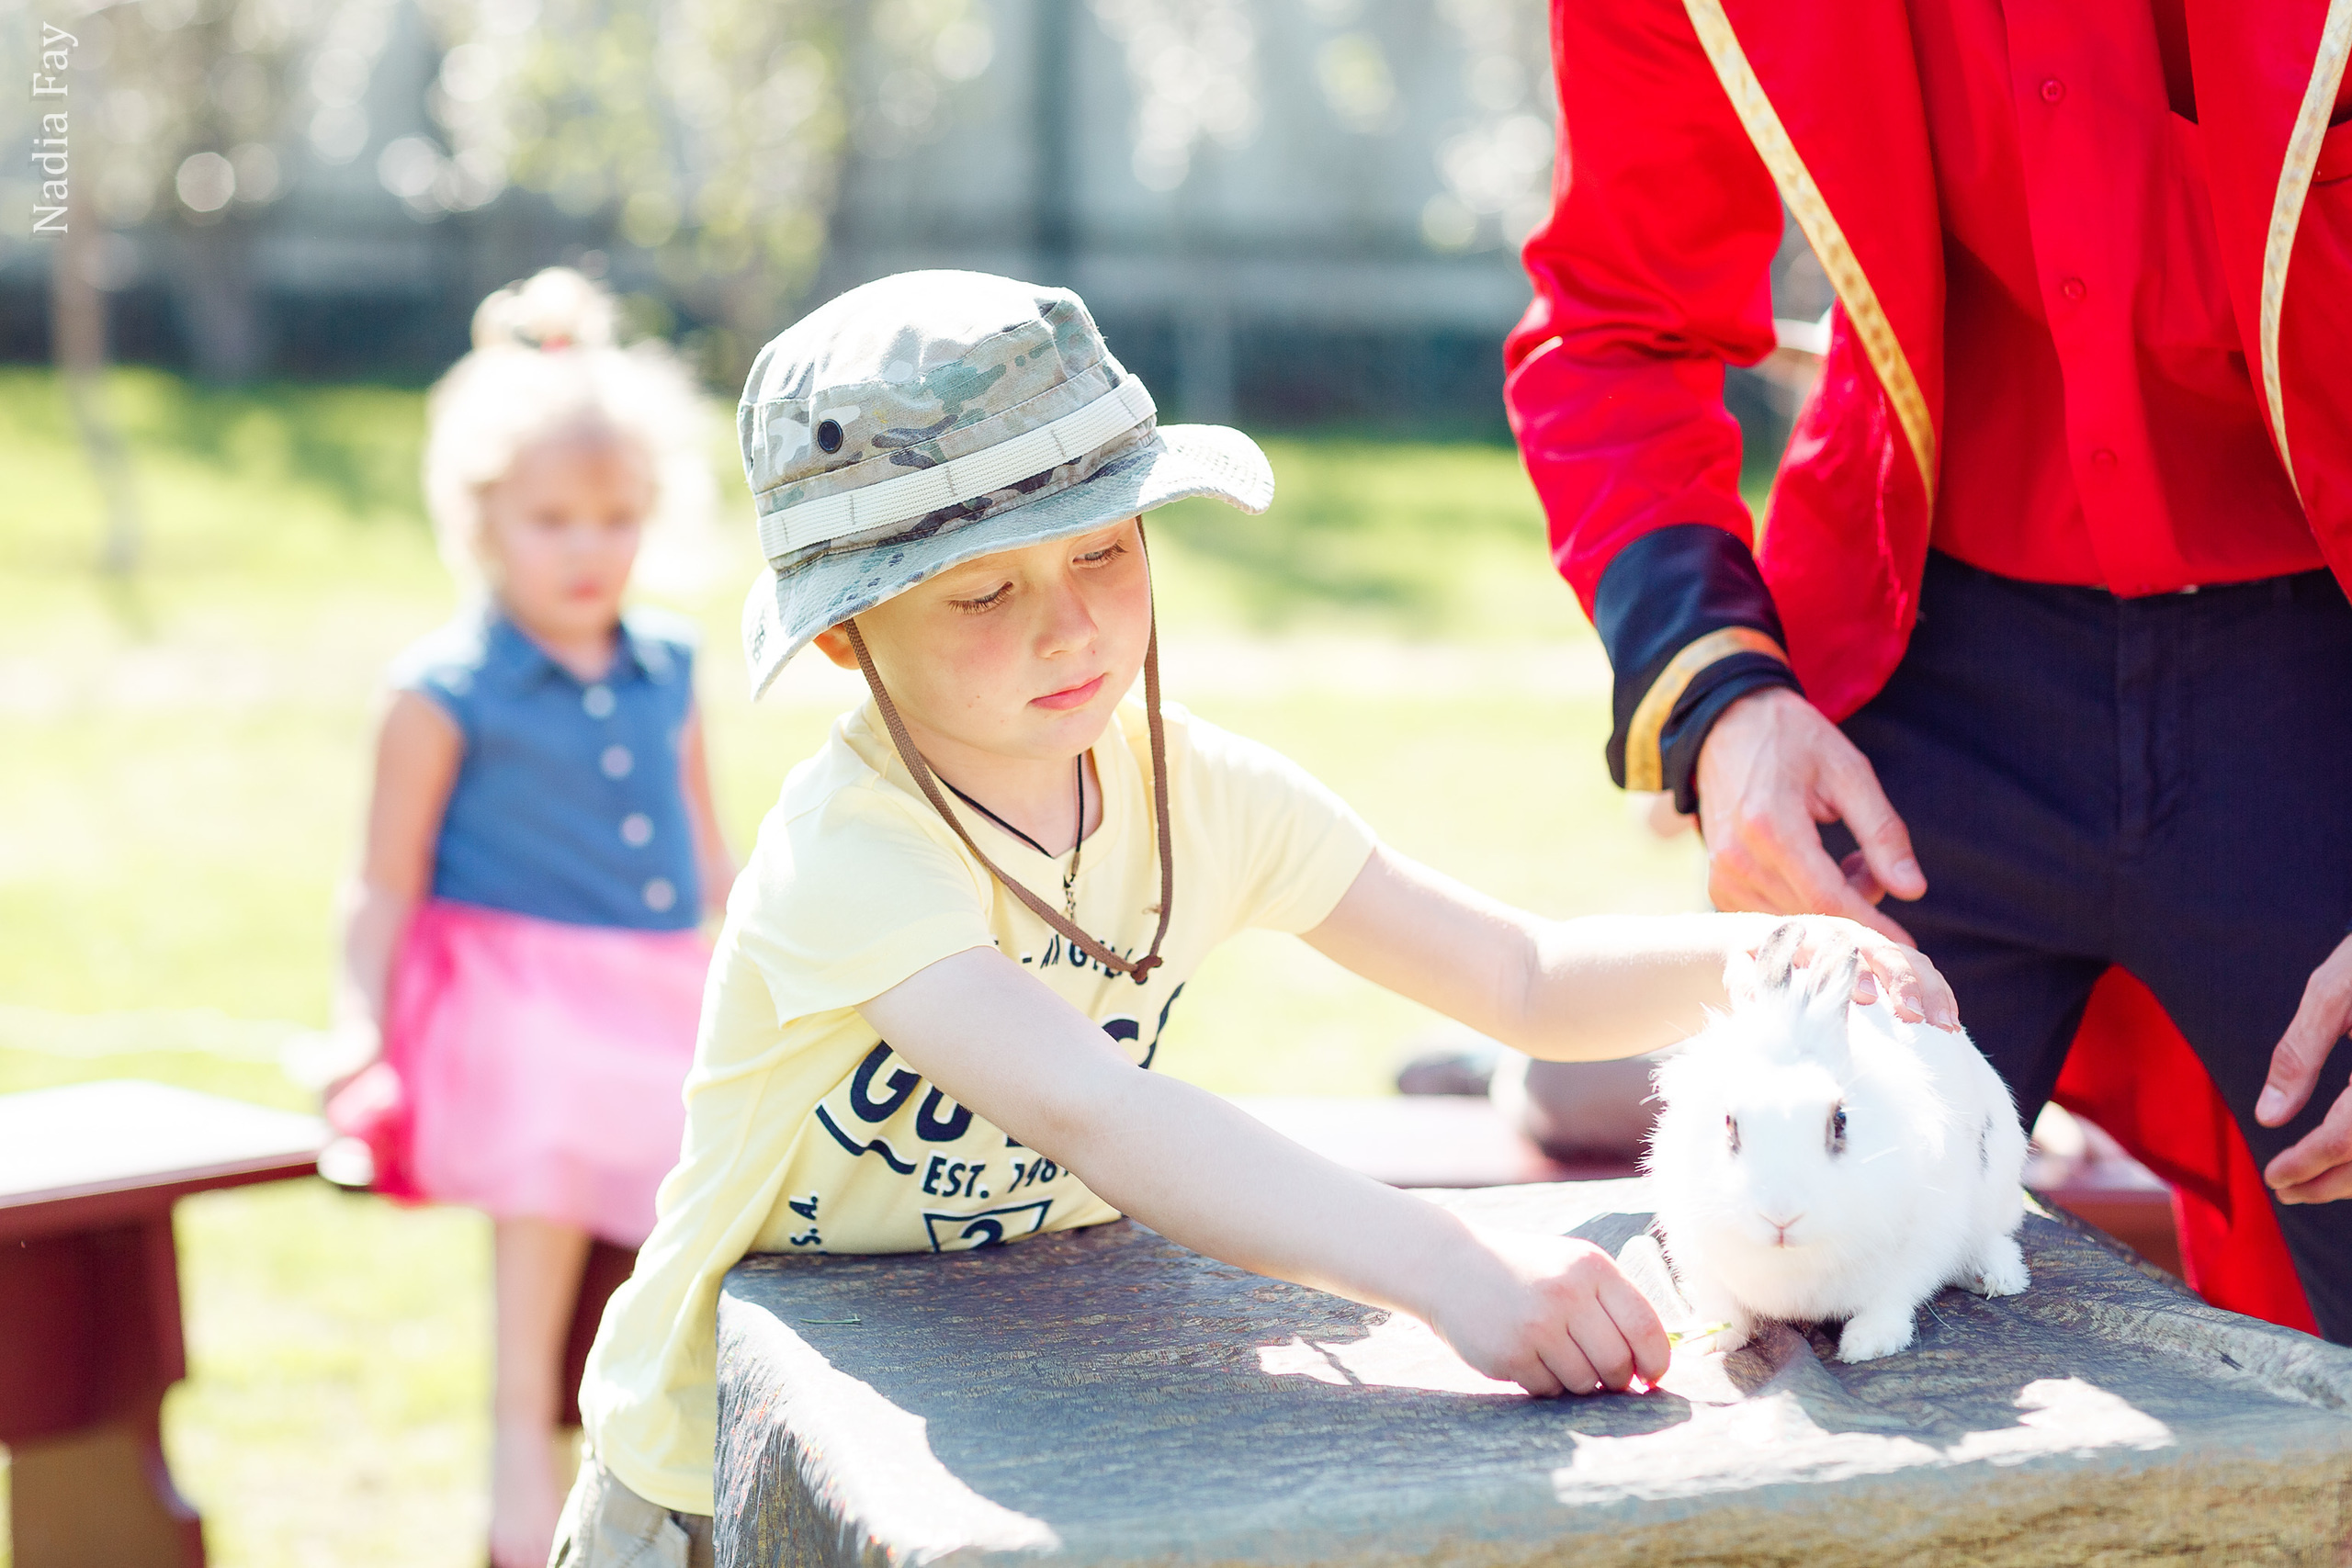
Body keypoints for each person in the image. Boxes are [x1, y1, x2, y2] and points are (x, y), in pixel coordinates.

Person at [550, 270, 1958, 1563]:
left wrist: (1772, 953)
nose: (1070, 626)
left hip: (1009, 1389)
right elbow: (1098, 1112)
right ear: (849, 632)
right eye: (985, 589)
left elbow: (1519, 975)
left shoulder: (1200, 792)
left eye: (1105, 553)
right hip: (722, 1469)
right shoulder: (848, 851)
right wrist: (1449, 1268)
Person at [1503, 2, 2352, 1336]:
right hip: (1917, 680)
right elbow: (1617, 324)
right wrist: (1726, 705)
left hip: (2322, 669)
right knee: (1788, 1338)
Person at [321, 267, 736, 1568]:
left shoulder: (668, 666)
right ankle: (519, 1472)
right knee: (556, 1169)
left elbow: (711, 861)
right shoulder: (442, 691)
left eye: (616, 519)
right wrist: (355, 1029)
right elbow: (381, 881)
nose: (587, 549)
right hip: (518, 1006)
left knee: (692, 1228)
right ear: (482, 520)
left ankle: (663, 1486)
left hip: (655, 993)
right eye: (553, 520)